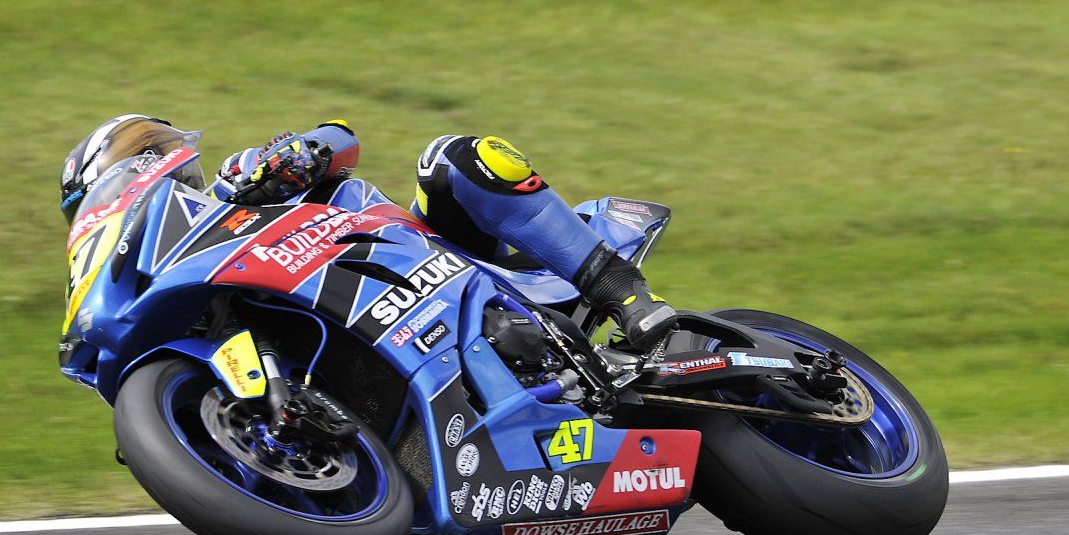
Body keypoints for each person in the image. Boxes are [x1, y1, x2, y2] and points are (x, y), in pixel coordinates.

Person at [58, 115, 677, 349]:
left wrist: (296, 157)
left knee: (456, 157)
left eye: (142, 152)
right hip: (367, 331)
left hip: (443, 264)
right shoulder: (174, 285)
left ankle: (623, 294)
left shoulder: (238, 178)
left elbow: (339, 137)